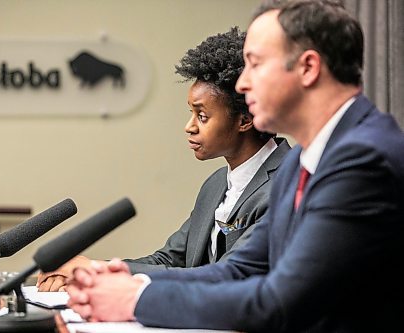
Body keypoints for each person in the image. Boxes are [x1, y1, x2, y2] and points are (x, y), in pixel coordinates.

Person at [65, 1, 404, 332]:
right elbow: (238, 270)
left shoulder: (363, 160)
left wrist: (135, 300)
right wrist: (126, 278)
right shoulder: (299, 164)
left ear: (308, 68)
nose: (242, 84)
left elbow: (280, 302)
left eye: (255, 64)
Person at [37, 27, 290, 292]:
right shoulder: (216, 184)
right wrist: (93, 272)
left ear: (245, 120)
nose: (189, 127)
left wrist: (92, 270)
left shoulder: (288, 182)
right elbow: (170, 260)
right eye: (191, 114)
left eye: (202, 116)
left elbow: (227, 276)